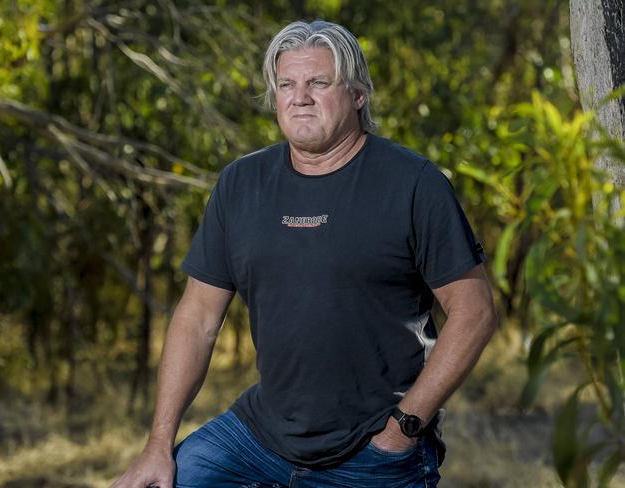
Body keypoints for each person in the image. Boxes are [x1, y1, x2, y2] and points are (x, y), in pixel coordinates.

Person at [112, 19, 498, 488]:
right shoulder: (241, 184)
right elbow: (197, 318)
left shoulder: (412, 183)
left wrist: (405, 428)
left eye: (318, 82)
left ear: (358, 94)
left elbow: (474, 311)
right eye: (287, 84)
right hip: (259, 439)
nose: (300, 96)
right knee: (175, 477)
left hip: (373, 447)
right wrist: (158, 444)